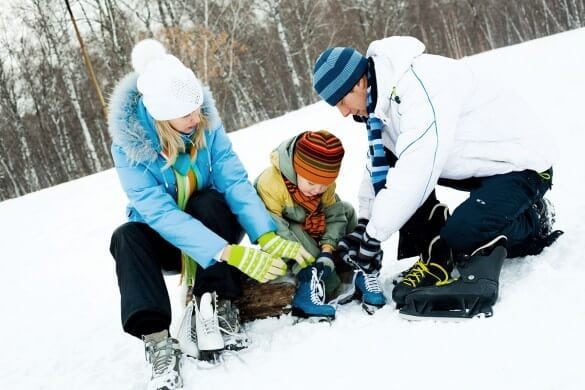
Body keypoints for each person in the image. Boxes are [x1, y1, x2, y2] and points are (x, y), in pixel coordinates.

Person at [108, 39, 314, 390]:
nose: (197, 117)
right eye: (186, 113)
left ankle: (218, 303)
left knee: (209, 200)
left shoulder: (206, 127)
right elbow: (158, 213)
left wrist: (265, 235)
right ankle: (157, 340)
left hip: (212, 222)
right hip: (169, 240)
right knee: (126, 236)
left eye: (198, 107)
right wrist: (227, 252)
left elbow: (233, 180)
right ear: (160, 114)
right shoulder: (129, 148)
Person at [311, 37, 563, 319]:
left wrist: (374, 236)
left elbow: (416, 172)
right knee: (402, 183)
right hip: (480, 165)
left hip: (523, 165)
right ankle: (437, 255)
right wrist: (365, 226)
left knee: (463, 232)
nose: (343, 112)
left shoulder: (419, 85)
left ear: (357, 84)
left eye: (340, 101)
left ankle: (533, 220)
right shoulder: (379, 106)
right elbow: (379, 169)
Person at [254, 130, 357, 319]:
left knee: (347, 210)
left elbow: (334, 216)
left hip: (312, 228)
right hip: (287, 239)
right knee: (296, 233)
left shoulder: (323, 184)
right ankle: (313, 284)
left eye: (324, 185)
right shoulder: (270, 184)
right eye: (311, 183)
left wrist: (327, 250)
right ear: (297, 169)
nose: (317, 190)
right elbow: (274, 231)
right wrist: (311, 264)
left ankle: (350, 269)